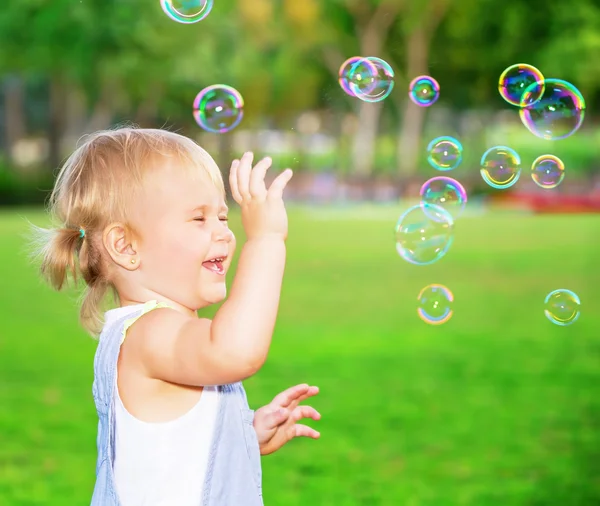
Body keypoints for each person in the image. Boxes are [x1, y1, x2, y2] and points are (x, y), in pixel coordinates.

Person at [27, 127, 321, 506]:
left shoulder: (160, 334)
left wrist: (243, 434)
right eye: (199, 219)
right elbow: (236, 351)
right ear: (126, 246)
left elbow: (175, 450)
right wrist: (265, 240)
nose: (224, 233)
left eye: (222, 217)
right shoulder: (150, 333)